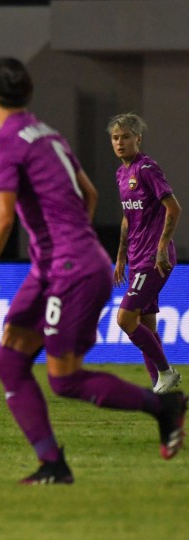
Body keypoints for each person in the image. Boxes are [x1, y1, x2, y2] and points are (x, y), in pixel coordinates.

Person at [0, 57, 187, 484]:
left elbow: (1, 219)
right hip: (63, 263)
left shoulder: (0, 145)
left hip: (68, 268)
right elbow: (89, 194)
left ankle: (164, 406)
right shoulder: (48, 135)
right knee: (9, 362)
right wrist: (68, 241)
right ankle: (52, 463)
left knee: (65, 378)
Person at [108, 113, 182, 394]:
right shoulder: (121, 173)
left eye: (126, 137)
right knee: (147, 327)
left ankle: (166, 372)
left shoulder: (147, 168)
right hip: (136, 258)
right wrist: (120, 256)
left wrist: (162, 247)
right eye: (115, 138)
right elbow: (128, 218)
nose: (120, 142)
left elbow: (173, 208)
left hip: (154, 258)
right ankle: (161, 389)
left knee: (125, 319)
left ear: (137, 139)